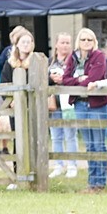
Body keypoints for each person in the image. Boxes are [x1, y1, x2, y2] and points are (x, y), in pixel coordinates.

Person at [62, 27, 107, 193]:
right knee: (89, 145)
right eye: (83, 39)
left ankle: (100, 183)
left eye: (90, 39)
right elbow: (65, 79)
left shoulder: (99, 56)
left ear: (94, 41)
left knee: (99, 144)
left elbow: (95, 78)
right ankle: (91, 183)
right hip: (80, 104)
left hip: (98, 104)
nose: (86, 42)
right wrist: (80, 79)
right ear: (78, 41)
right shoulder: (73, 57)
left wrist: (78, 80)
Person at [47, 33, 78, 179]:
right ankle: (58, 165)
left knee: (70, 135)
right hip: (54, 104)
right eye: (62, 42)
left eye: (67, 43)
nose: (65, 45)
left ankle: (72, 165)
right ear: (56, 44)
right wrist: (51, 78)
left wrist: (64, 79)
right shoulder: (49, 62)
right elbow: (42, 80)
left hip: (68, 104)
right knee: (56, 136)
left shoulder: (75, 61)